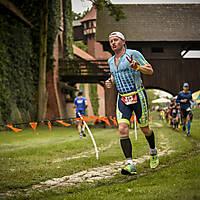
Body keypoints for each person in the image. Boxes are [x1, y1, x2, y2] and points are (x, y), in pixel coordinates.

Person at [105, 31, 159, 175]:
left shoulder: (133, 54)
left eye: (116, 40)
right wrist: (110, 81)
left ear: (123, 41)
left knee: (145, 129)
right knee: (122, 128)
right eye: (111, 41)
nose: (113, 43)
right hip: (122, 98)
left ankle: (153, 151)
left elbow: (150, 70)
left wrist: (137, 67)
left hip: (137, 95)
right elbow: (114, 75)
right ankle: (130, 164)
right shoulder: (110, 61)